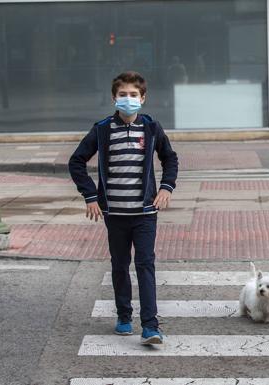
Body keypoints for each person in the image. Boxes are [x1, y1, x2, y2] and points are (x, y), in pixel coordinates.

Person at [69, 71, 178, 345]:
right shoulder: (103, 129)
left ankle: (151, 326)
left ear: (143, 98)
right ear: (113, 98)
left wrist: (166, 187)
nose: (128, 99)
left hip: (144, 213)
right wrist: (90, 196)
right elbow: (76, 161)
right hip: (114, 215)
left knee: (145, 265)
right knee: (120, 265)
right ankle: (124, 316)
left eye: (133, 95)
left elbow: (170, 159)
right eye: (122, 95)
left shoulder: (152, 128)